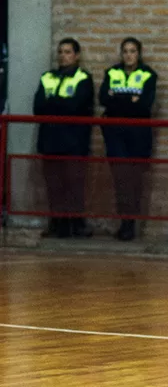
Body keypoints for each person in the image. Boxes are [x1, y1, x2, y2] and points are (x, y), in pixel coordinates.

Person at [32, 38, 95, 238]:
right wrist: (61, 103)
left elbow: (76, 106)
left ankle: (76, 224)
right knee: (54, 185)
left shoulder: (83, 78)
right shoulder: (47, 77)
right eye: (60, 52)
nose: (63, 56)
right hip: (50, 140)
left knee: (74, 184)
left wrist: (53, 102)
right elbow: (38, 108)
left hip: (74, 141)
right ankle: (56, 223)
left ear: (76, 55)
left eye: (67, 52)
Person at [99, 37, 156, 241]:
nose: (128, 55)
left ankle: (131, 224)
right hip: (115, 134)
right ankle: (124, 222)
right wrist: (130, 100)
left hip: (138, 135)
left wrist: (117, 99)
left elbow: (144, 105)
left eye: (132, 51)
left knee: (135, 180)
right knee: (120, 179)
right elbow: (103, 99)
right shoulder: (112, 72)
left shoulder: (148, 74)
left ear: (138, 53)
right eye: (125, 51)